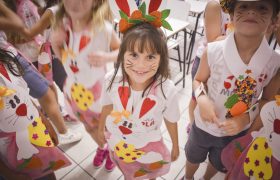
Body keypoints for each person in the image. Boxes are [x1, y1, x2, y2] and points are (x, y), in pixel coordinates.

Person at [183, 0, 280, 179]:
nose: (251, 11)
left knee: (218, 161)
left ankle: (206, 178)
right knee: (192, 156)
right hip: (202, 125)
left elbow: (266, 100)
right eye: (243, 6)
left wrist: (246, 118)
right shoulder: (212, 50)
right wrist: (202, 99)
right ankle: (188, 177)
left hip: (236, 130)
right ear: (232, 16)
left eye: (262, 8)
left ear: (274, 20)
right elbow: (198, 80)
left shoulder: (274, 64)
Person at [97, 4, 180, 177]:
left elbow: (171, 119)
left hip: (148, 145)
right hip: (118, 139)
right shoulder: (112, 80)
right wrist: (100, 129)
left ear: (161, 57)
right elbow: (106, 106)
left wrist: (176, 144)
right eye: (134, 55)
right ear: (122, 54)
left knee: (149, 172)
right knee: (128, 172)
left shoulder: (166, 89)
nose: (141, 66)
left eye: (150, 57)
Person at [50, 0, 121, 171]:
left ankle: (111, 149)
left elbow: (123, 51)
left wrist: (107, 57)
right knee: (89, 127)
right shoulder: (63, 26)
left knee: (106, 127)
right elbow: (61, 53)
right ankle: (102, 147)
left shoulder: (104, 29)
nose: (75, 3)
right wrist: (56, 44)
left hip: (99, 94)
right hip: (75, 92)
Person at [0, 0, 82, 145]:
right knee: (48, 88)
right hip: (32, 53)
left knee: (51, 85)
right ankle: (59, 119)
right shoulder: (15, 7)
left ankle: (58, 112)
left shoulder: (35, 6)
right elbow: (23, 30)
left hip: (41, 51)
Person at [0, 47, 71, 180]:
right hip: (10, 159)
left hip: (37, 137)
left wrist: (45, 122)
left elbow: (25, 96)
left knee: (47, 173)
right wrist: (9, 175)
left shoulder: (7, 59)